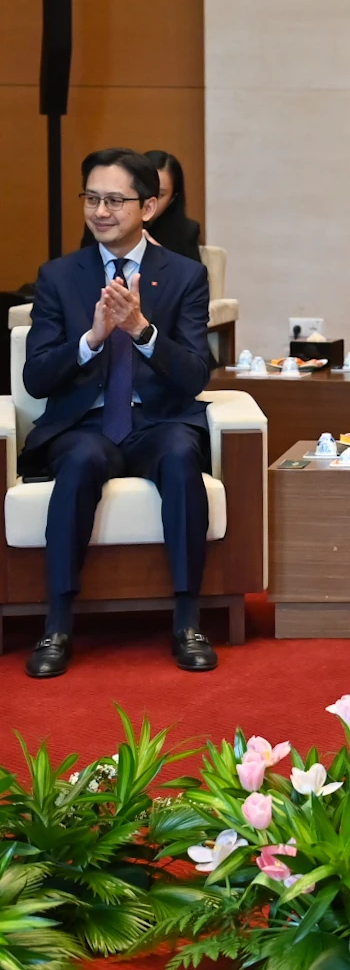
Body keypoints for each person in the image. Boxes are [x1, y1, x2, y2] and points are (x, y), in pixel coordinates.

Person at [19, 149, 217, 677]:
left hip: (158, 422)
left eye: (114, 200)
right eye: (92, 198)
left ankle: (187, 621)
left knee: (180, 457)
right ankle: (57, 624)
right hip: (85, 425)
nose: (100, 211)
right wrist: (90, 339)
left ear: (148, 207)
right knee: (80, 462)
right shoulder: (60, 277)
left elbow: (197, 372)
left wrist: (142, 332)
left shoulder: (185, 276)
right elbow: (35, 377)